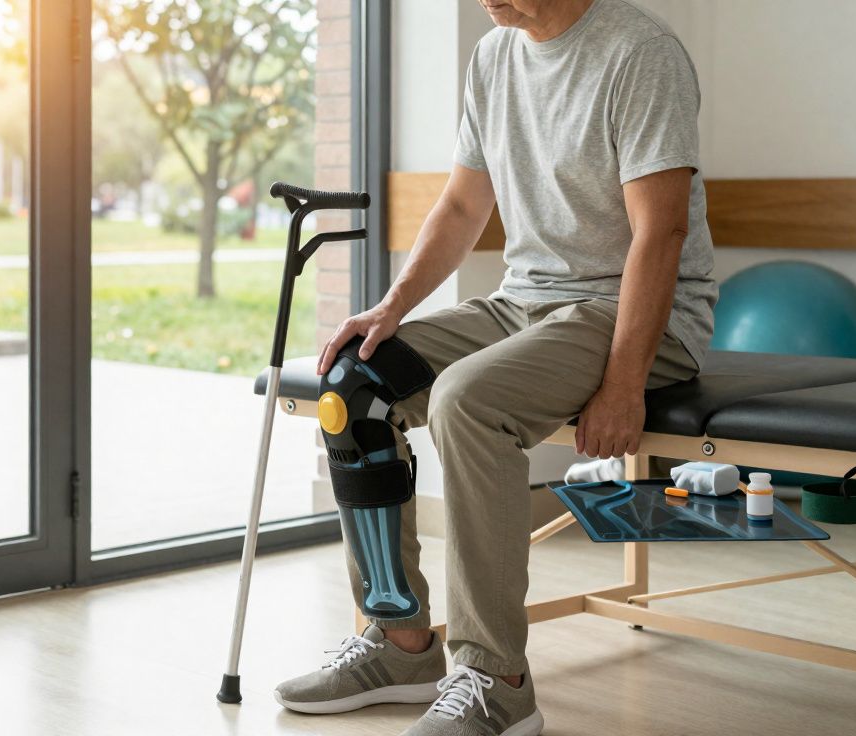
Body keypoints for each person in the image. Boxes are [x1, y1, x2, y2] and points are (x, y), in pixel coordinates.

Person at [274, 1, 717, 734]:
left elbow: (660, 230)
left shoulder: (641, 52)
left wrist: (623, 382)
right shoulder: (494, 55)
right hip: (525, 303)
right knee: (356, 385)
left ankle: (496, 679)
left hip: (636, 315)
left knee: (467, 400)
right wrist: (391, 307)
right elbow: (461, 204)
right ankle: (401, 643)